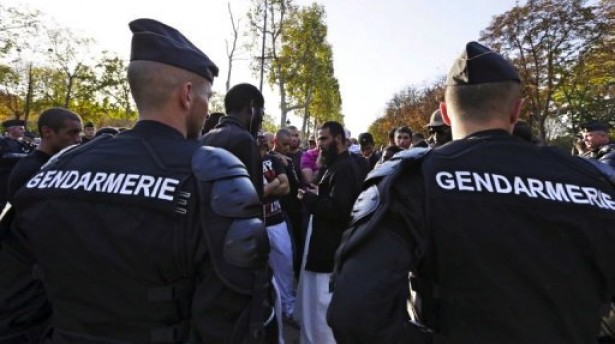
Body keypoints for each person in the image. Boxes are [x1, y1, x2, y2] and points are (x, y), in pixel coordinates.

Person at [1, 18, 276, 343]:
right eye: (206, 96)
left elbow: (12, 303)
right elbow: (238, 323)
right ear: (187, 95)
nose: (206, 109)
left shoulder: (55, 168)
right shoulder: (212, 175)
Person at [327, 41, 615, 343]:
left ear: (446, 114)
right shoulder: (593, 179)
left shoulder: (413, 180)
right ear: (516, 110)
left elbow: (355, 313)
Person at [295, 121, 363, 344]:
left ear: (339, 139)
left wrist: (308, 199)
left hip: (330, 249)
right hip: (323, 244)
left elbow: (340, 209)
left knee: (323, 308)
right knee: (315, 305)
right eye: (317, 139)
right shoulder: (335, 165)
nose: (319, 144)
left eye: (324, 139)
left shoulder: (345, 167)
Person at [200, 83, 265, 200]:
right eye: (262, 112)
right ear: (252, 106)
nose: (262, 118)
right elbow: (251, 198)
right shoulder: (244, 141)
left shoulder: (205, 138)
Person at [7, 108, 83, 203]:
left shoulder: (62, 163)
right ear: (47, 131)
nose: (79, 140)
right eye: (72, 133)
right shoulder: (29, 169)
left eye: (79, 133)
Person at [0, 119, 33, 211]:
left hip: (17, 179)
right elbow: (4, 156)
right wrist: (26, 156)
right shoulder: (3, 142)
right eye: (20, 129)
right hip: (4, 179)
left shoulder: (23, 143)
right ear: (12, 130)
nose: (23, 131)